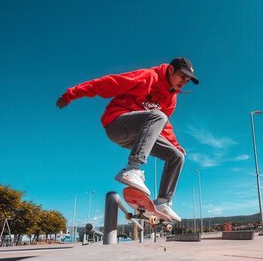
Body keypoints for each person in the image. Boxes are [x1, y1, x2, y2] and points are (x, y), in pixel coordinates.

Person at [56, 57, 199, 221]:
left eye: (187, 80)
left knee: (177, 156)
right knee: (157, 116)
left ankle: (162, 202)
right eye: (182, 77)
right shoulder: (148, 77)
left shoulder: (171, 100)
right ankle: (132, 169)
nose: (183, 82)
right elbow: (108, 83)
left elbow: (164, 125)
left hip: (137, 137)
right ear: (171, 70)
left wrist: (175, 144)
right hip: (116, 123)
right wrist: (71, 94)